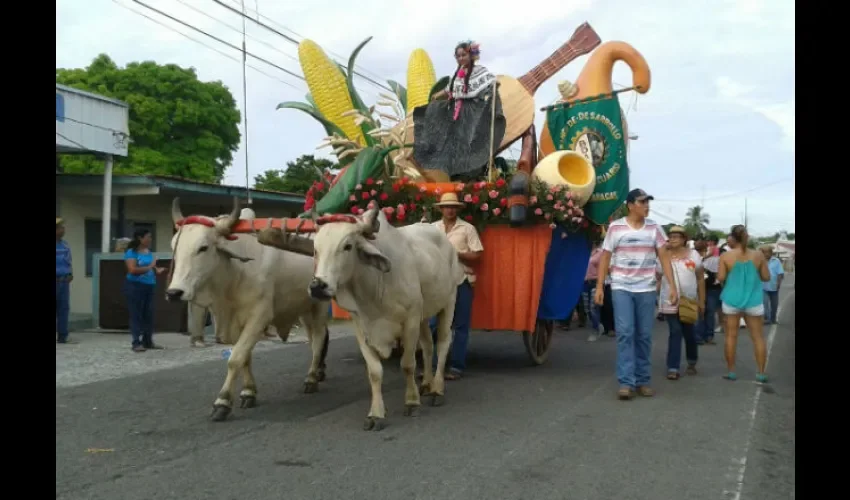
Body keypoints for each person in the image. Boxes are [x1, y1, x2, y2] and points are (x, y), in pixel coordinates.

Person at [596, 189, 677, 400]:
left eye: (648, 202)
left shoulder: (655, 229)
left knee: (644, 335)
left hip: (647, 288)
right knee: (625, 332)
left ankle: (643, 380)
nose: (647, 206)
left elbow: (665, 258)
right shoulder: (616, 228)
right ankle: (626, 382)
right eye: (642, 202)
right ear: (631, 205)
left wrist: (673, 286)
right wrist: (598, 287)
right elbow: (605, 258)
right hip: (621, 287)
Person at [413, 40, 506, 182]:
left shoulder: (479, 71)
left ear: (470, 55)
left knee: (470, 144)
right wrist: (436, 96)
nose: (461, 58)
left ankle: (471, 175)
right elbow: (449, 90)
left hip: (473, 114)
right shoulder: (457, 75)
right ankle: (454, 174)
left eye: (463, 55)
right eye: (458, 56)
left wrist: (493, 87)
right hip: (457, 114)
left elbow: (491, 84)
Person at [430, 192, 484, 379]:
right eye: (446, 207)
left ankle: (456, 366)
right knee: (432, 324)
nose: (450, 210)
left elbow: (477, 254)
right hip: (436, 282)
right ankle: (433, 365)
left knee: (460, 325)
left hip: (461, 280)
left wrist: (455, 254)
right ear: (441, 209)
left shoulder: (467, 229)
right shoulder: (432, 228)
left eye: (453, 207)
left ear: (457, 209)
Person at [718, 225, 770, 382]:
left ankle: (732, 371)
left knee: (731, 336)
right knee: (758, 337)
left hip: (731, 299)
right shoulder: (758, 255)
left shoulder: (726, 256)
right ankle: (761, 373)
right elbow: (766, 277)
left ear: (733, 238)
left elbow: (720, 278)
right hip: (753, 300)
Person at [657, 226, 705, 380]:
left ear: (684, 239)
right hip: (669, 299)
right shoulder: (663, 256)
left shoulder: (694, 255)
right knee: (675, 331)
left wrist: (702, 301)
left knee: (689, 333)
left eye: (677, 236)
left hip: (689, 300)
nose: (673, 239)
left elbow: (700, 278)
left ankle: (692, 361)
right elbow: (658, 276)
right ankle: (673, 367)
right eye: (671, 236)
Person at [124, 228, 167, 352]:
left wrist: (157, 270)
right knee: (136, 314)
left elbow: (150, 268)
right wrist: (150, 266)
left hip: (149, 285)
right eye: (148, 237)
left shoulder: (148, 252)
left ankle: (148, 341)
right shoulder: (131, 252)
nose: (150, 239)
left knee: (149, 314)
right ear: (140, 238)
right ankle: (136, 342)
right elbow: (132, 270)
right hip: (135, 286)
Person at [56, 217, 75, 344]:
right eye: (60, 227)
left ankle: (62, 335)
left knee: (63, 308)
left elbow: (68, 261)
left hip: (63, 281)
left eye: (63, 227)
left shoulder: (65, 245)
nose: (63, 229)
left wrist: (70, 273)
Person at [700, 246, 723, 344]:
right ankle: (703, 335)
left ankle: (708, 335)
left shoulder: (716, 260)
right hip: (703, 289)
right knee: (704, 313)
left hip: (712, 289)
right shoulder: (701, 260)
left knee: (709, 312)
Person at [584, 242, 604, 342]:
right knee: (587, 308)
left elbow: (602, 268)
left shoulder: (600, 253)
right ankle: (597, 325)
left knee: (593, 307)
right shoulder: (584, 252)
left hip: (595, 282)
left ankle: (596, 329)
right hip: (585, 282)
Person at [760, 246, 784, 325]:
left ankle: (773, 318)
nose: (766, 254)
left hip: (774, 286)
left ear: (771, 253)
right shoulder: (760, 261)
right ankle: (767, 318)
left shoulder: (776, 261)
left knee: (774, 304)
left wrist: (778, 283)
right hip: (763, 286)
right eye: (764, 252)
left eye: (768, 252)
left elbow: (780, 273)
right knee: (764, 303)